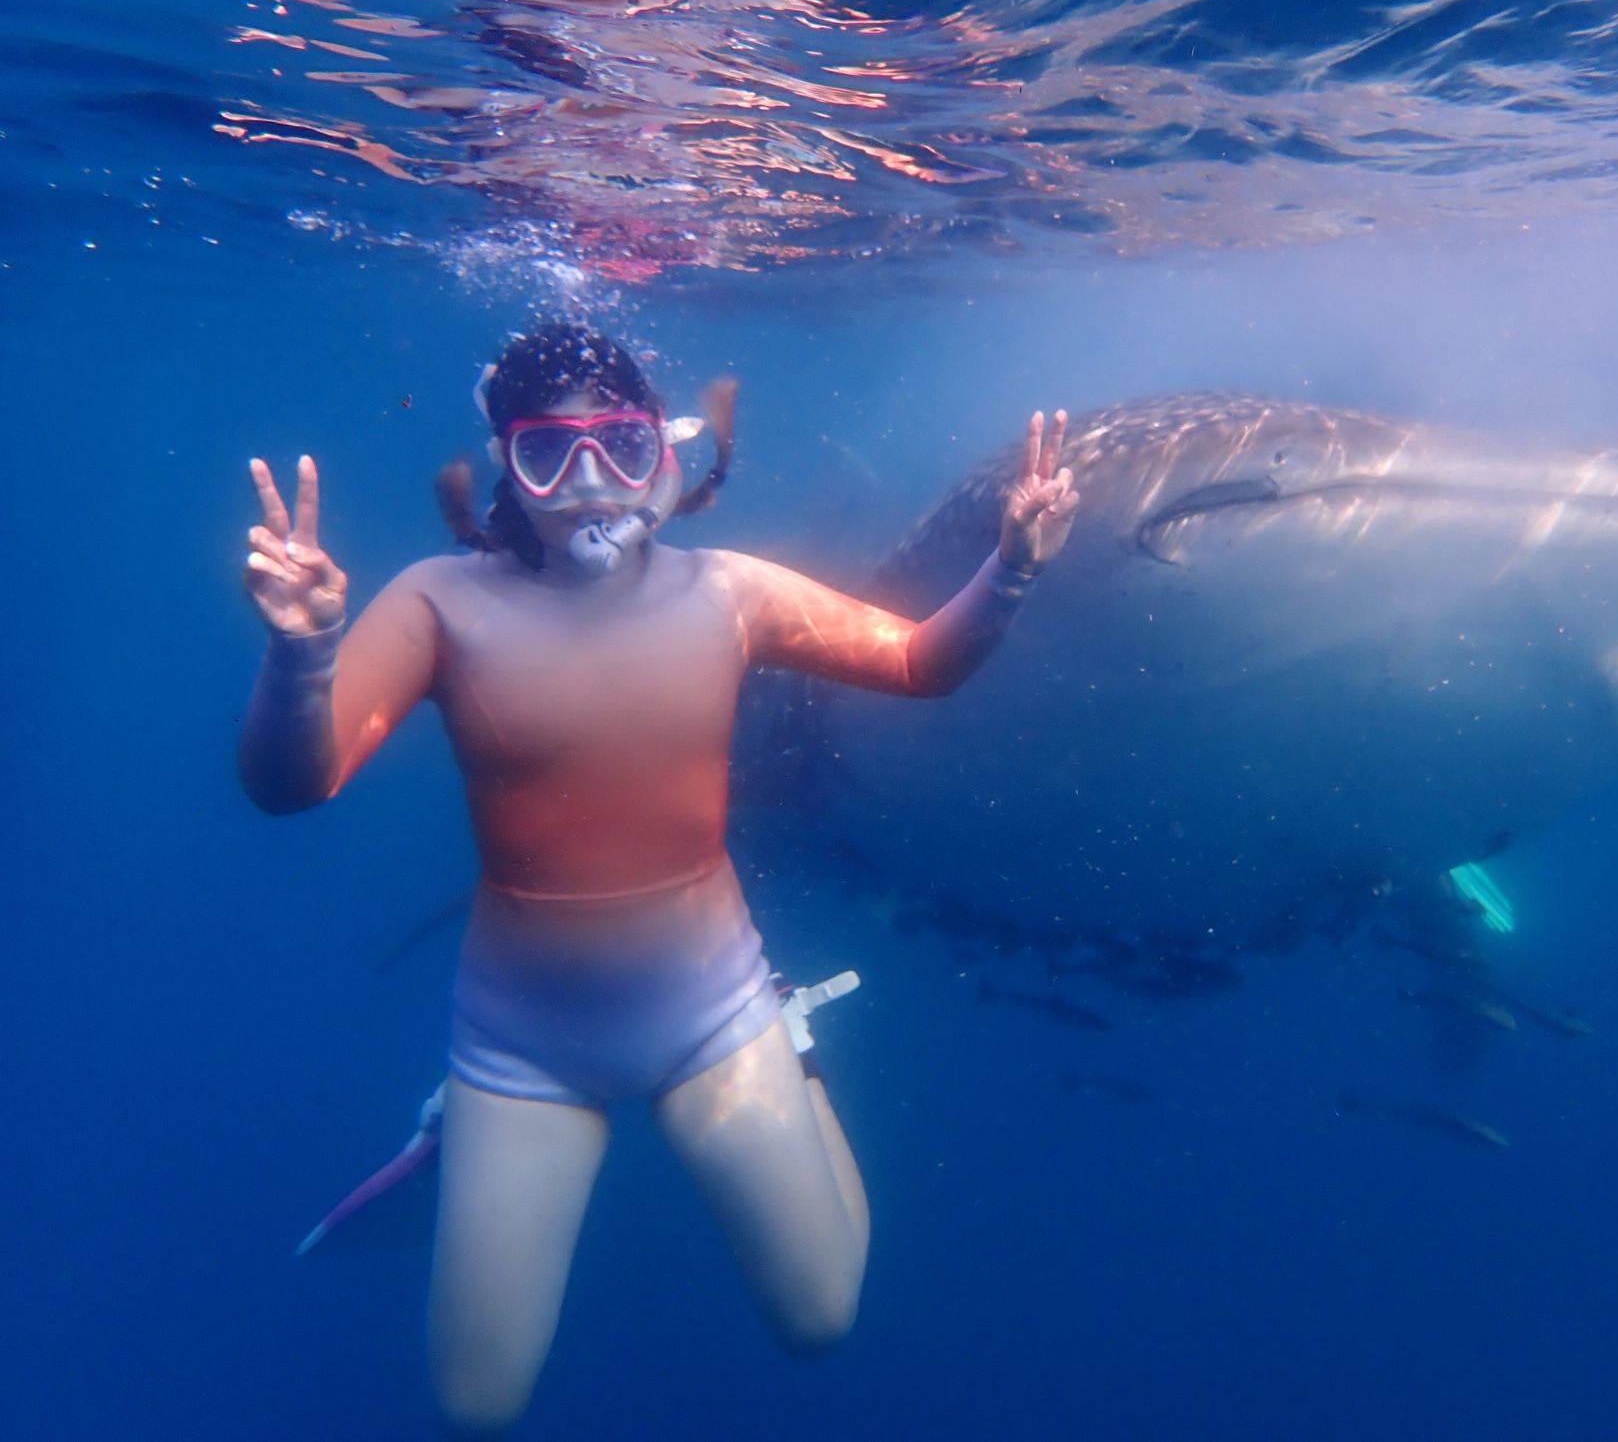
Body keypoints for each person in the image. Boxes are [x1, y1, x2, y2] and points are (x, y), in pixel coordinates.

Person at [238, 323, 1079, 1436]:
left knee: (819, 1319)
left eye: (621, 448)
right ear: (504, 467)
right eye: (548, 456)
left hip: (715, 1010)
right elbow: (296, 785)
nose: (589, 485)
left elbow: (917, 663)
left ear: (666, 453)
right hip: (515, 1043)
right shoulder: (441, 603)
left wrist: (1010, 568)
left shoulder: (726, 591)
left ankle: (797, 1045)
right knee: (477, 1405)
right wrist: (301, 655)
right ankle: (452, 1127)